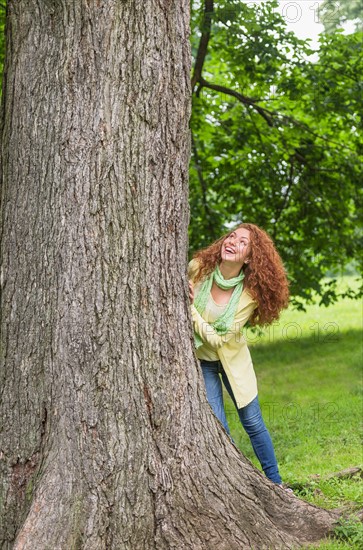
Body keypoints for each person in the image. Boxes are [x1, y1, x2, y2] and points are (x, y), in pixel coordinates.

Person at [188, 223, 289, 485]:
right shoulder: (198, 269)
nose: (233, 241)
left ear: (250, 258)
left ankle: (276, 484)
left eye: (243, 242)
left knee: (254, 423)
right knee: (218, 427)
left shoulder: (249, 295)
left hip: (234, 362)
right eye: (232, 236)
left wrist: (189, 309)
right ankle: (241, 483)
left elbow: (220, 341)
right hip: (203, 363)